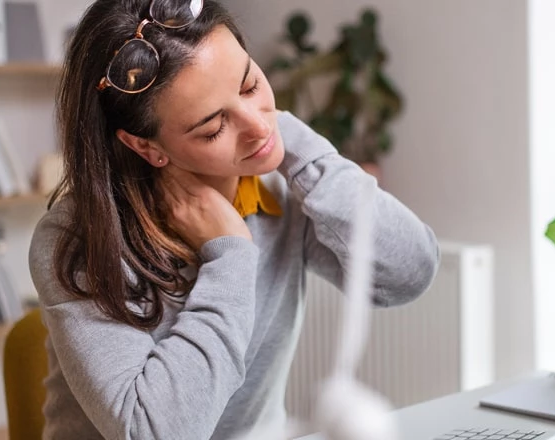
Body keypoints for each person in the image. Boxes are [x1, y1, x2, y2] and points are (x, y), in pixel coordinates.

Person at [27, 0, 439, 438]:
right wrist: (231, 256)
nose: (256, 127)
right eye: (212, 127)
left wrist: (297, 146)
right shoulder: (79, 241)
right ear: (146, 147)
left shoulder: (277, 184)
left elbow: (409, 273)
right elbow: (154, 432)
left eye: (249, 85)